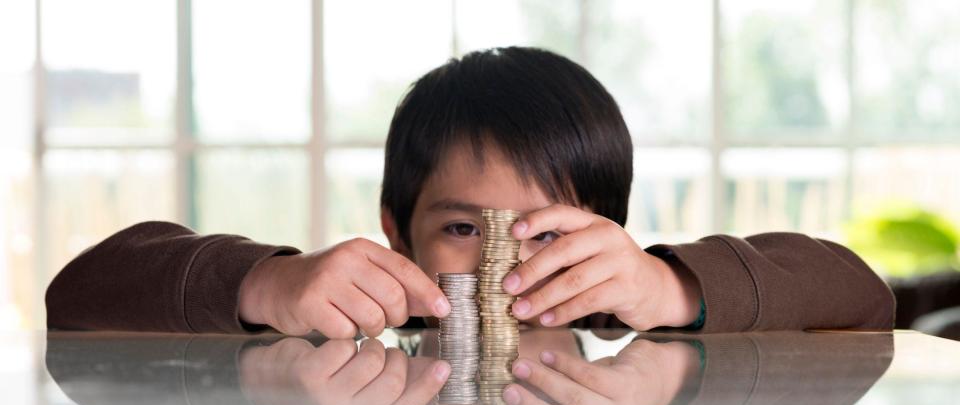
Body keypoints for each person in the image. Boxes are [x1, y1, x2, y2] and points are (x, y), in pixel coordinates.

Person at [45, 46, 895, 336]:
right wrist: (265, 283)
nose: (508, 264)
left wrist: (672, 285)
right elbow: (75, 295)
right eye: (464, 227)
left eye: (551, 232)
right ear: (395, 231)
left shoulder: (624, 327)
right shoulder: (345, 333)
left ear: (612, 238)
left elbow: (861, 295)